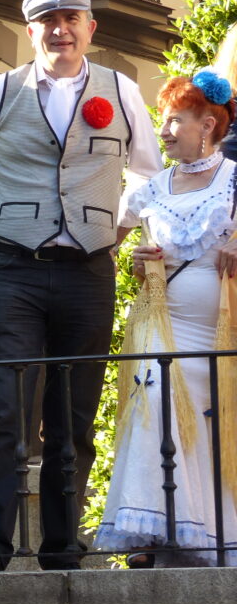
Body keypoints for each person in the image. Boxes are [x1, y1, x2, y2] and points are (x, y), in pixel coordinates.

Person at [0, 0, 163, 571]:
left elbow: (149, 174)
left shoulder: (121, 90)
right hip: (12, 267)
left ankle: (63, 543)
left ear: (91, 27)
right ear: (31, 30)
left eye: (71, 18)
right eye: (47, 21)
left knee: (74, 413)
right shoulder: (1, 90)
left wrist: (118, 228)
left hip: (87, 269)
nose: (59, 29)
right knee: (1, 408)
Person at [95, 71, 237, 567]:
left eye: (176, 120)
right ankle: (158, 530)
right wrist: (134, 259)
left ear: (210, 123)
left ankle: (212, 543)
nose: (164, 130)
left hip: (222, 332)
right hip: (163, 324)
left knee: (217, 427)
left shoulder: (235, 179)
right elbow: (107, 244)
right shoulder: (150, 189)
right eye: (162, 120)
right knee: (155, 405)